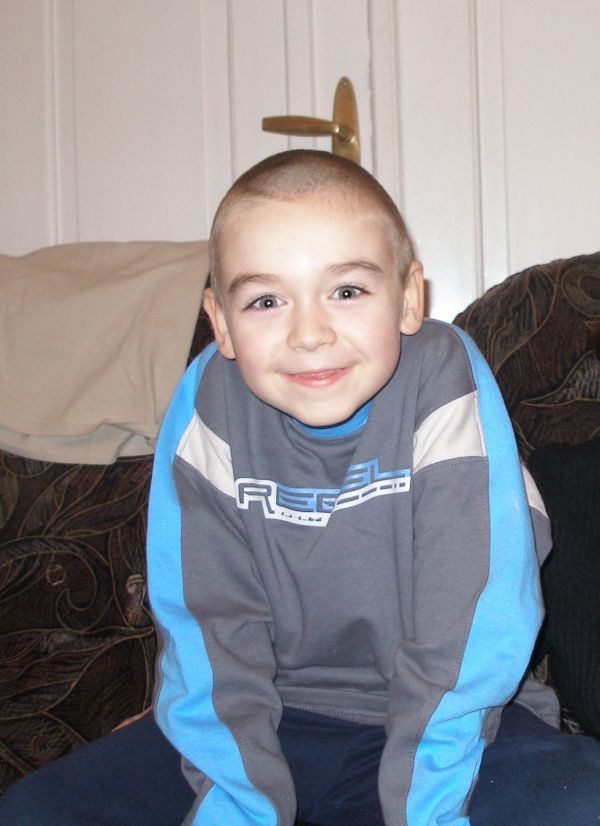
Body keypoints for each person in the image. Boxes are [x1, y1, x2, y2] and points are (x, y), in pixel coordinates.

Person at [2, 149, 600, 826]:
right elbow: (207, 626)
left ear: (409, 298)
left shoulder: (444, 379)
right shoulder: (207, 405)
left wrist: (427, 807)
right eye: (266, 301)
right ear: (221, 322)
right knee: (34, 810)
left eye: (347, 292)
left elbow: (475, 617)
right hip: (270, 722)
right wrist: (236, 805)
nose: (309, 334)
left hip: (453, 726)